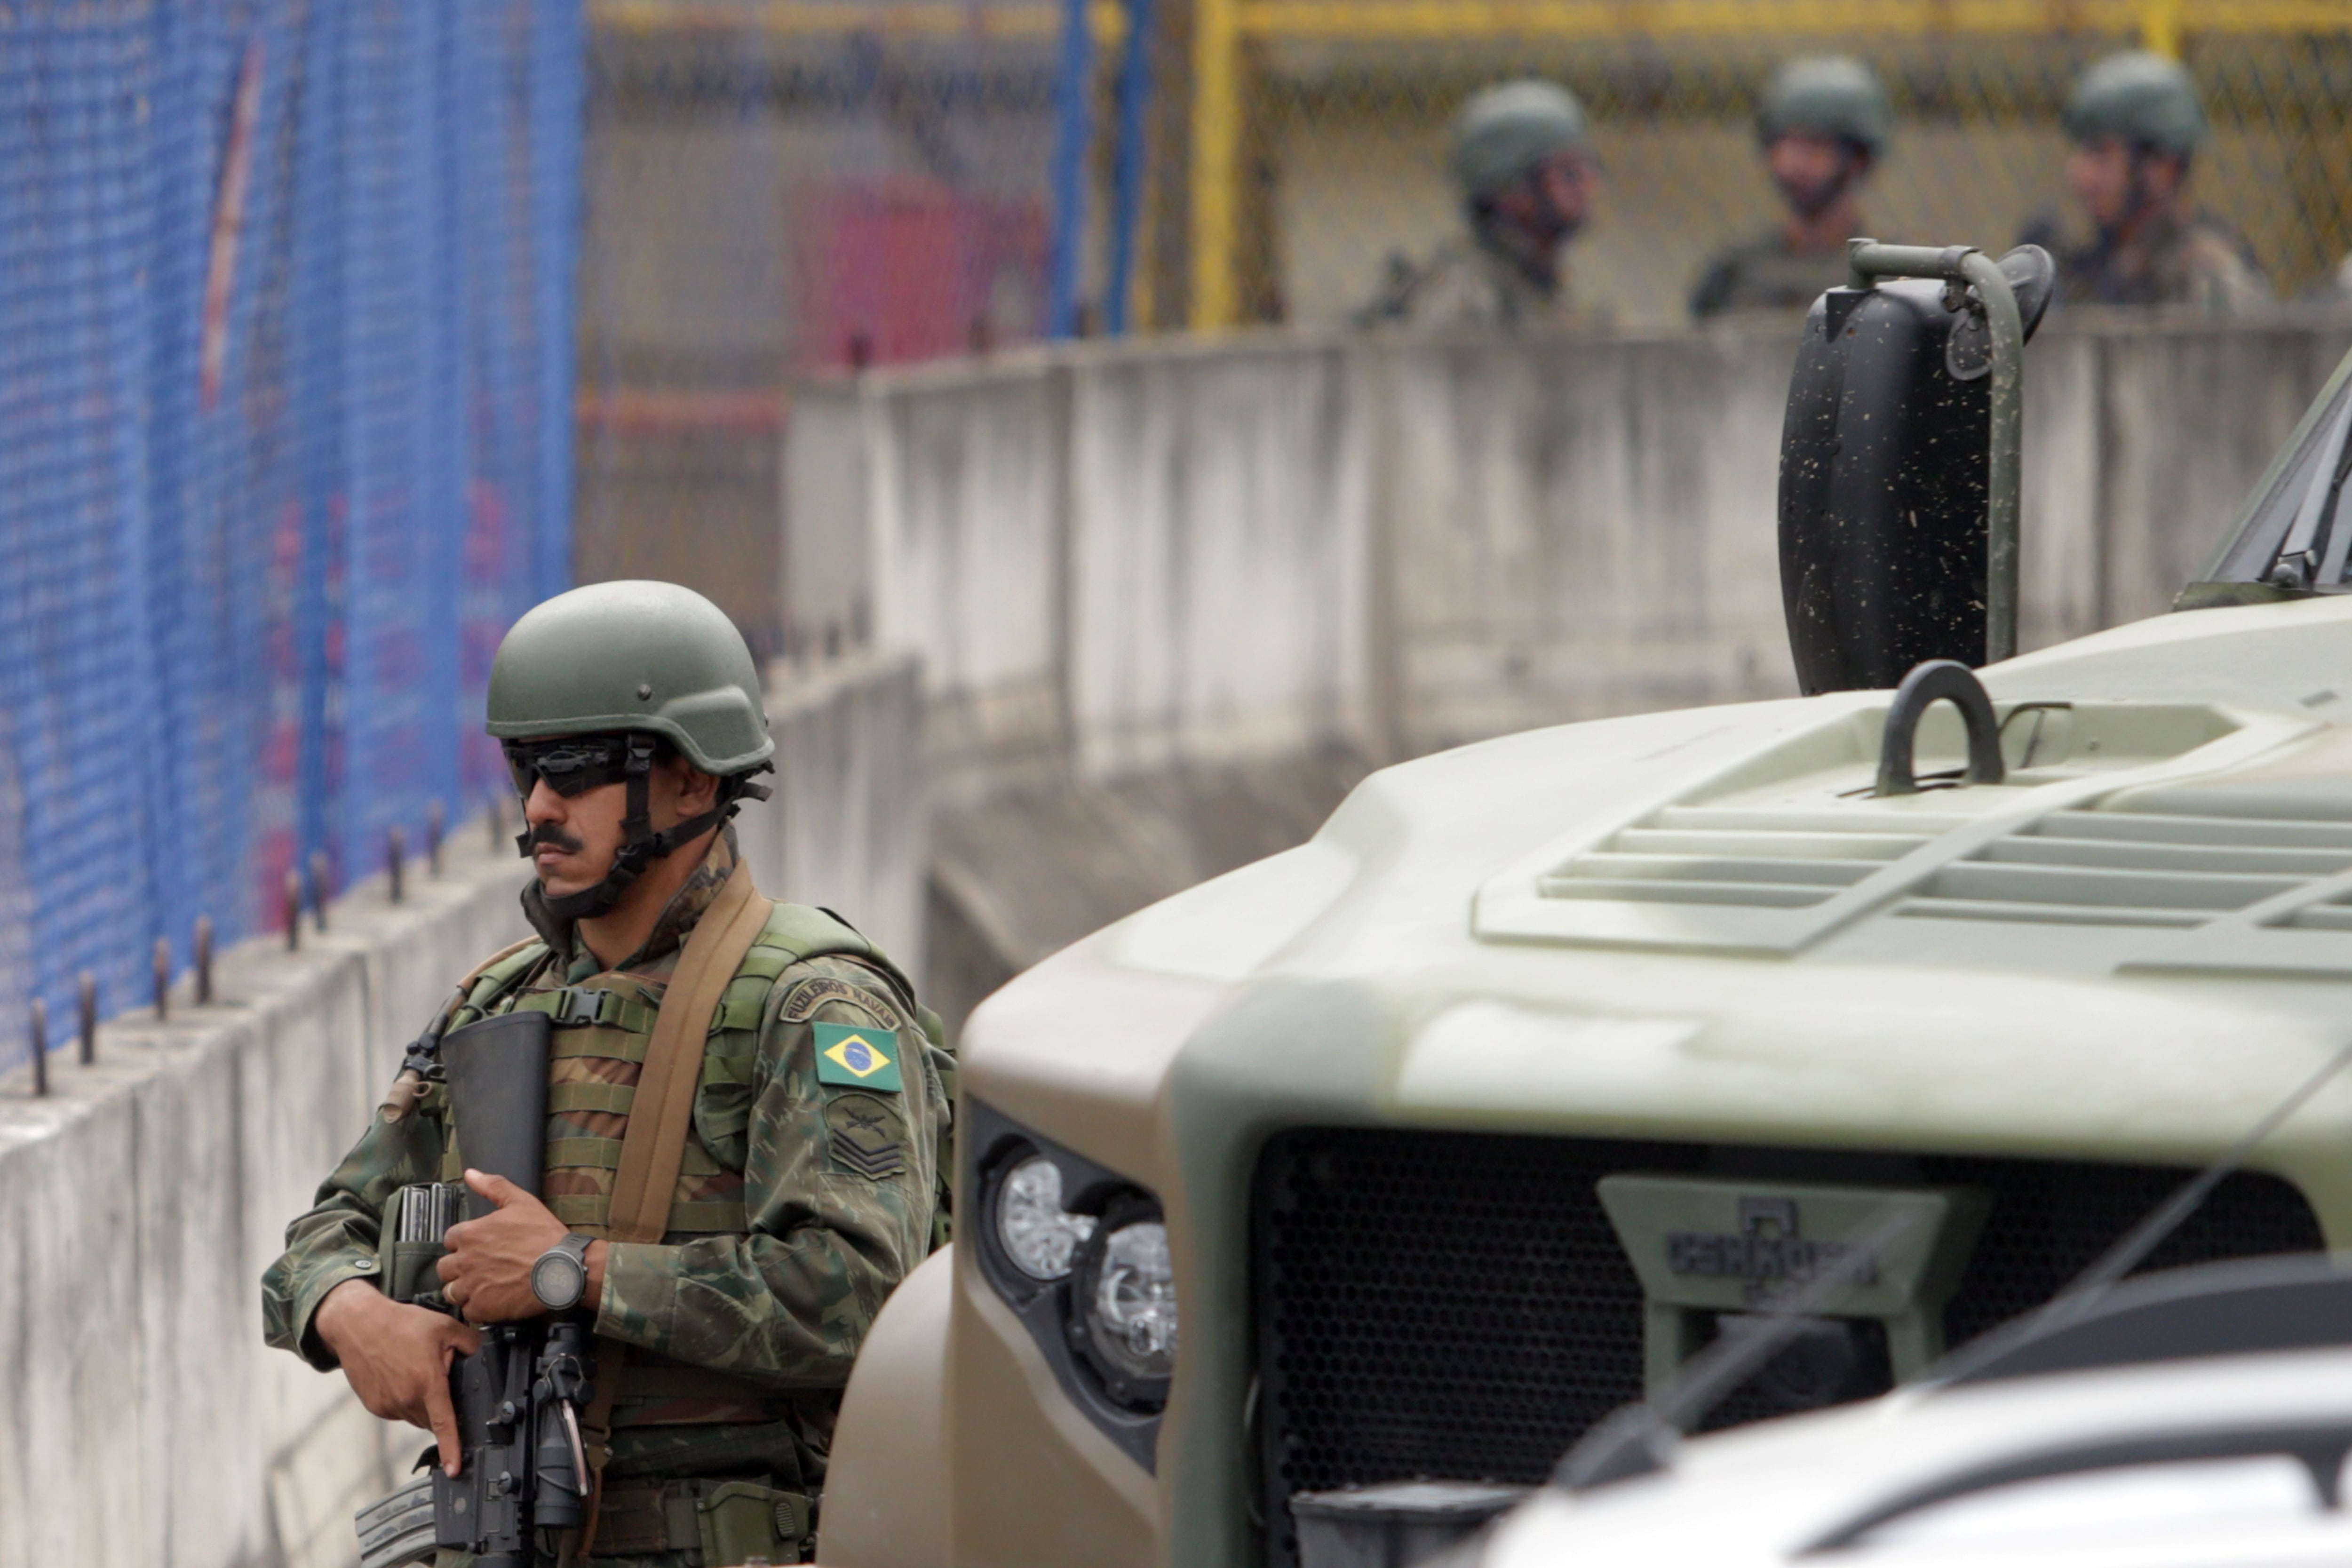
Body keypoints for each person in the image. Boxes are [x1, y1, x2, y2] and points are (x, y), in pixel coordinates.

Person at [261, 579, 951, 1566]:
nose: (540, 806)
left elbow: (860, 1293)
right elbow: (324, 1232)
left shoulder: (810, 1006)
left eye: (577, 770)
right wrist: (352, 1312)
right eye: (526, 770)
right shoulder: (497, 1005)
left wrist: (570, 1272)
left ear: (692, 780)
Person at [2019, 51, 2269, 314]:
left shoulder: (2209, 277)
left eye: (2100, 153)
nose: (2079, 175)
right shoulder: (2094, 270)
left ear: (2163, 168)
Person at [1359, 78, 1599, 329]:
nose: (1588, 184)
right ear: (1510, 189)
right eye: (1569, 172)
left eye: (1590, 167)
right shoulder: (1463, 295)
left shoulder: (1545, 287)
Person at [1691, 56, 1892, 320]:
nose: (1793, 164)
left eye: (1814, 146)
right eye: (1785, 144)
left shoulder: (1891, 273)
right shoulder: (1735, 272)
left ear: (1858, 160)